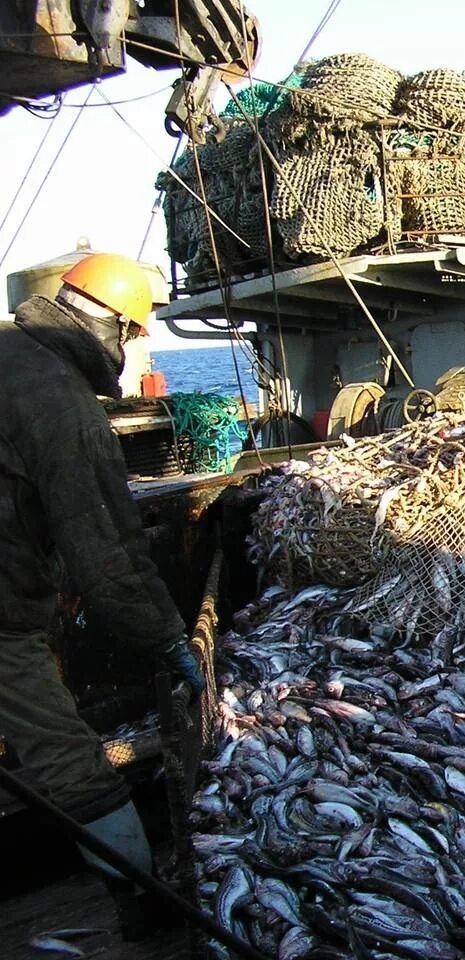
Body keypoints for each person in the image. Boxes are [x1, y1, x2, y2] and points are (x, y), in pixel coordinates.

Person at [0, 253, 205, 937]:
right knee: (67, 756)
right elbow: (108, 559)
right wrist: (169, 639)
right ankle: (143, 903)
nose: (135, 344)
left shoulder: (7, 353)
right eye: (135, 330)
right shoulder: (63, 407)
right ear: (110, 324)